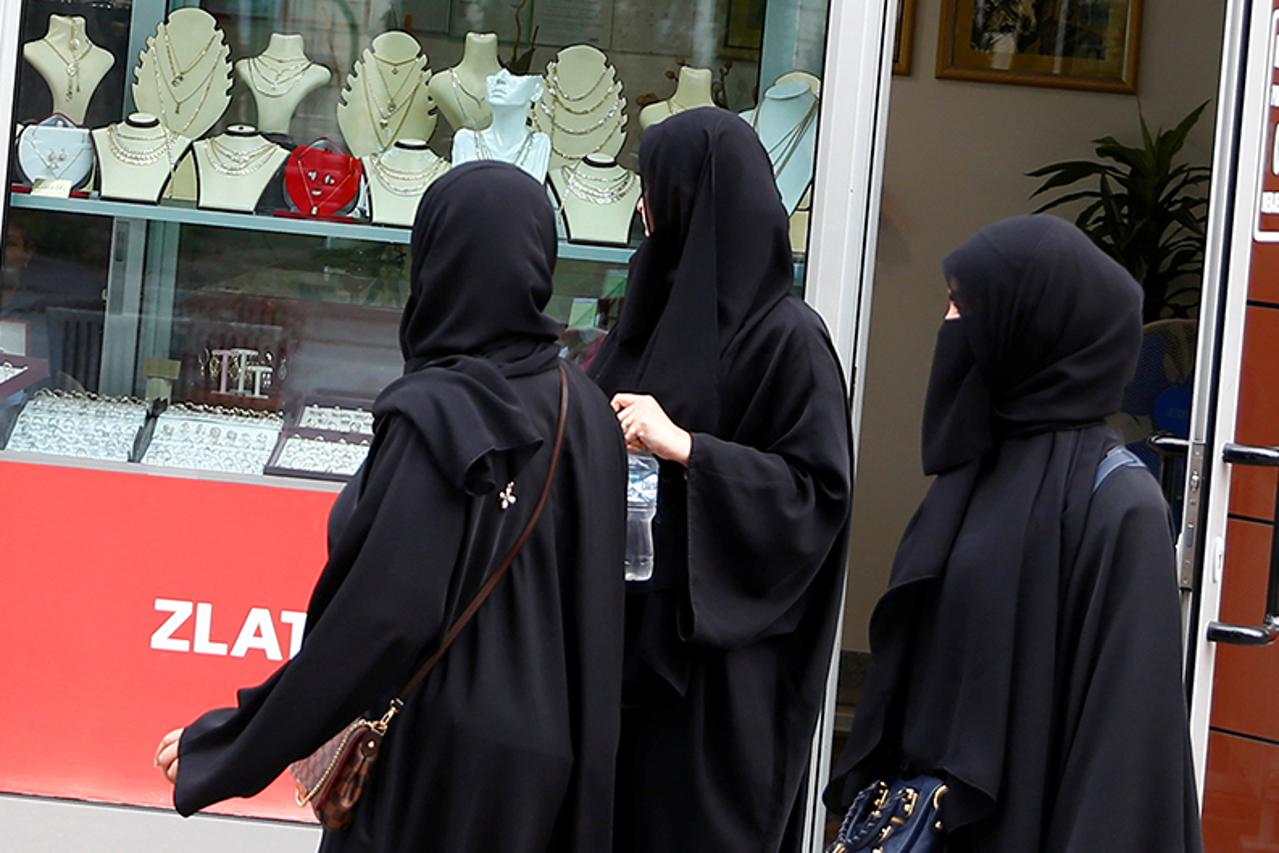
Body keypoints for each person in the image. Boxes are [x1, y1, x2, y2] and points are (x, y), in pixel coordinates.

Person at [154, 162, 627, 853]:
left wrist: (230, 743)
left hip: (434, 762)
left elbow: (379, 618)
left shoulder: (436, 410)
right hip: (546, 763)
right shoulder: (583, 407)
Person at [824, 214, 1203, 852]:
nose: (948, 326)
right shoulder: (973, 476)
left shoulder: (1117, 503)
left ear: (1030, 325)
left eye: (961, 304)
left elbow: (1122, 756)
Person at [589, 108, 854, 851]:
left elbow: (815, 495)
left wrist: (690, 450)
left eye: (656, 189)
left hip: (716, 685)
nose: (644, 209)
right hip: (620, 660)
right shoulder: (646, 314)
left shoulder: (789, 338)